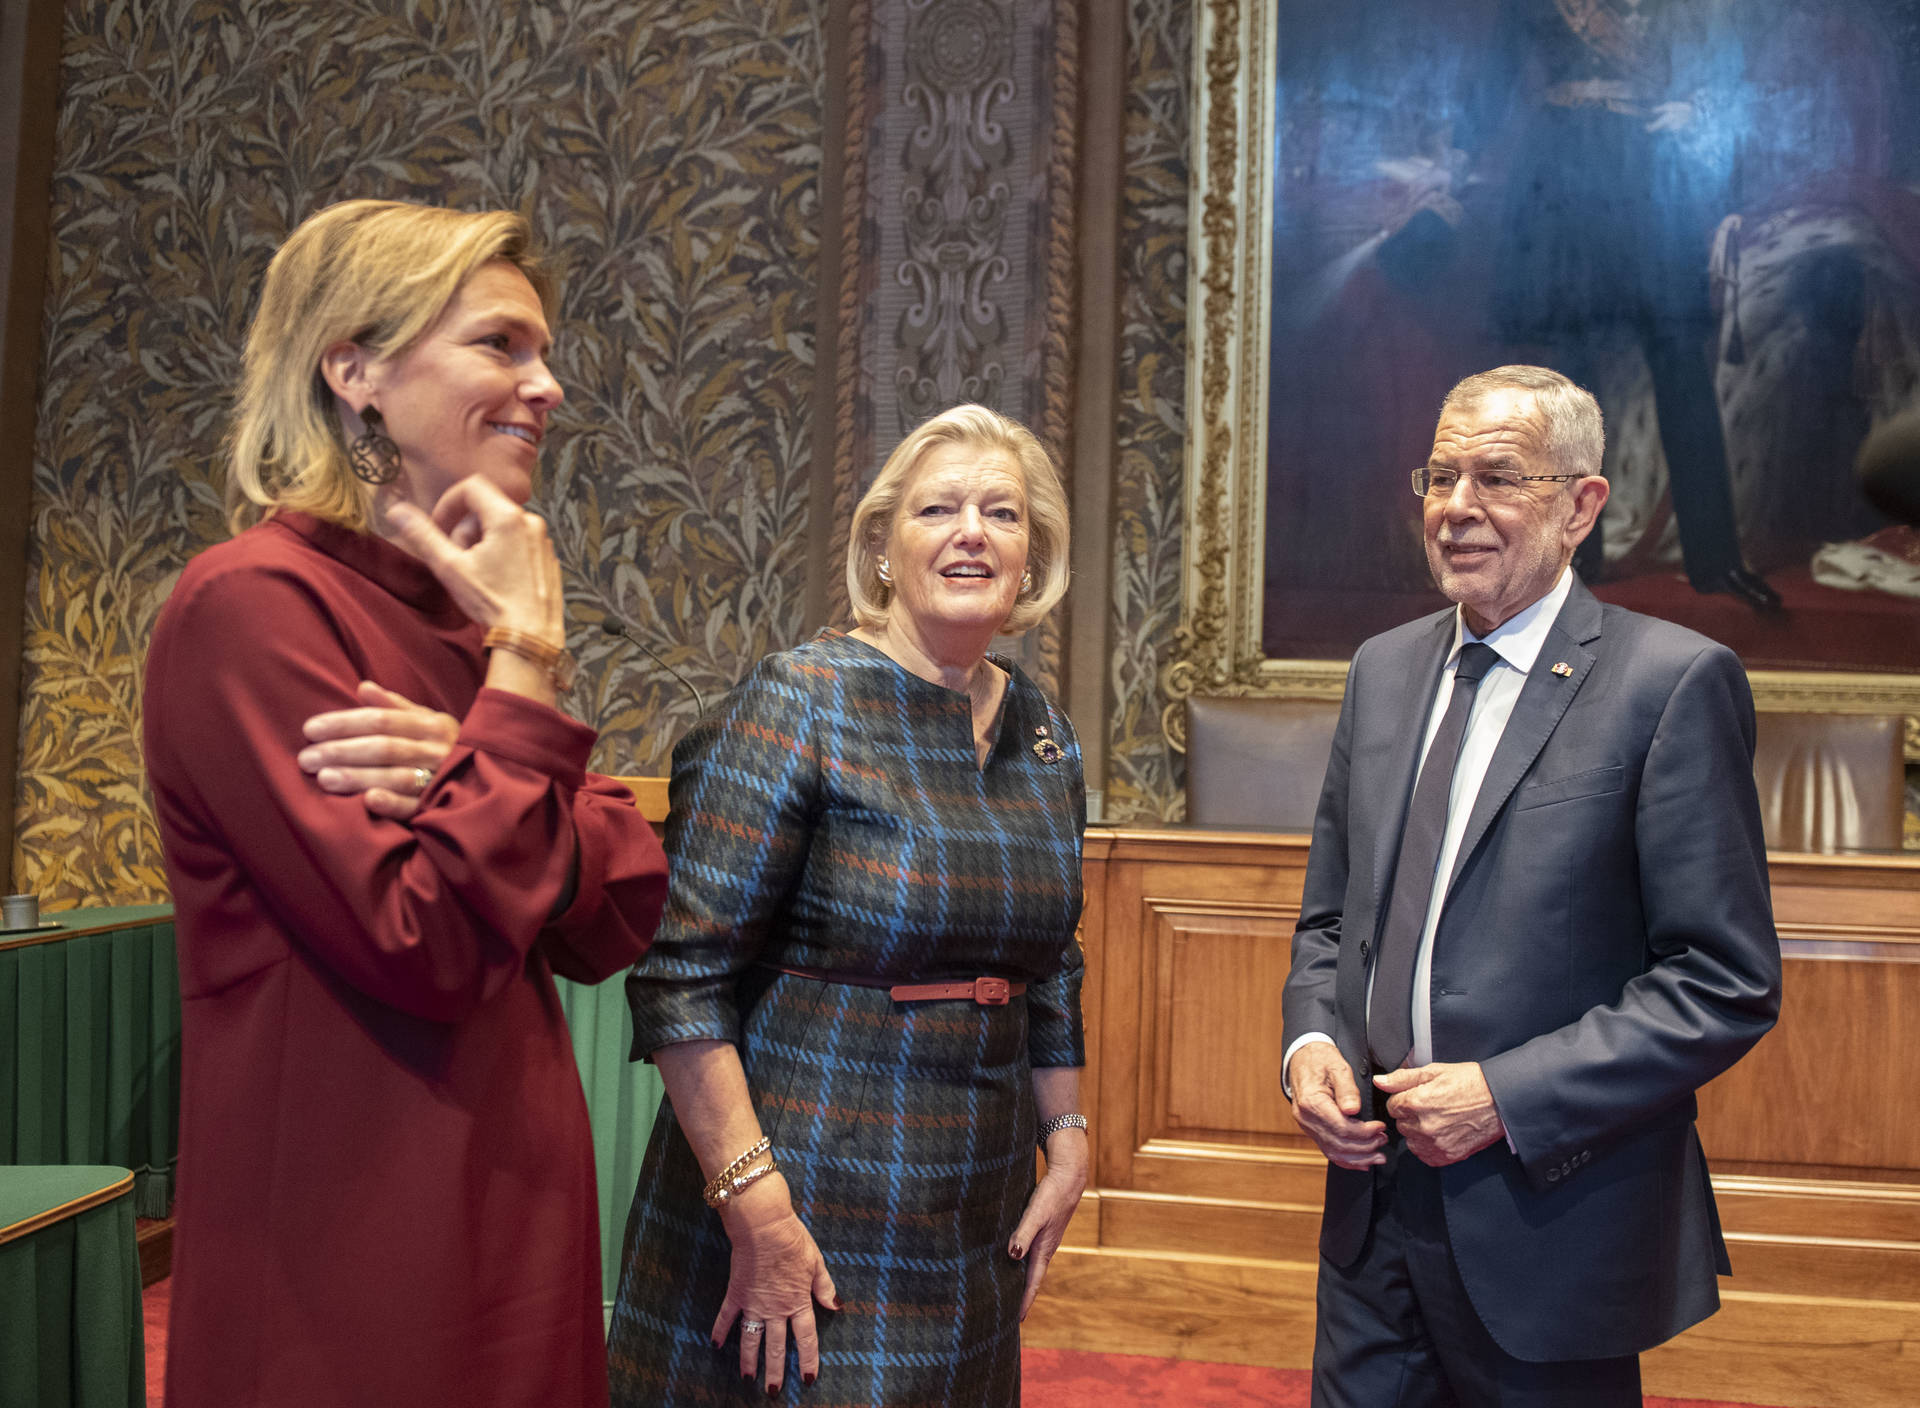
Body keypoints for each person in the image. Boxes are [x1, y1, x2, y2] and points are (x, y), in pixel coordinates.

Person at [142, 199, 670, 1407]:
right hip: (351, 1241)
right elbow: (425, 936)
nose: (548, 387)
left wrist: (465, 762)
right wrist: (525, 672)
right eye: (501, 344)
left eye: (543, 351)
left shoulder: (459, 618)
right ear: (356, 368)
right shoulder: (251, 607)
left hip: (513, 1201)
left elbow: (620, 900)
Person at [1281, 365, 1781, 1405]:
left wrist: (1507, 1097)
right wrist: (1312, 1041)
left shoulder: (1670, 682)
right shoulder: (1382, 670)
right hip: (1371, 1219)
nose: (1457, 507)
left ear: (1581, 506)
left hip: (1551, 1221)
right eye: (1440, 475)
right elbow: (1333, 917)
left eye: (1498, 477)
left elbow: (1722, 979)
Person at [604, 404, 1089, 1405]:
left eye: (1002, 512)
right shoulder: (802, 699)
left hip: (974, 1204)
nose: (972, 531)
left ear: (1032, 557)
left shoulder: (1046, 733)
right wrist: (755, 1201)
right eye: (938, 508)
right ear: (881, 548)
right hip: (803, 1187)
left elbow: (1054, 959)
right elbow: (679, 978)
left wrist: (1073, 1138)